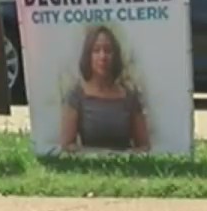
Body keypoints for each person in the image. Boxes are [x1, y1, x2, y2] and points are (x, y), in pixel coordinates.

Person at [58, 24, 150, 153]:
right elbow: (67, 146)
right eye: (96, 51)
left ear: (115, 55)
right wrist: (95, 156)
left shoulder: (130, 97)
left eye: (108, 50)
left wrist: (124, 157)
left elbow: (144, 146)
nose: (103, 57)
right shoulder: (76, 96)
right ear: (88, 56)